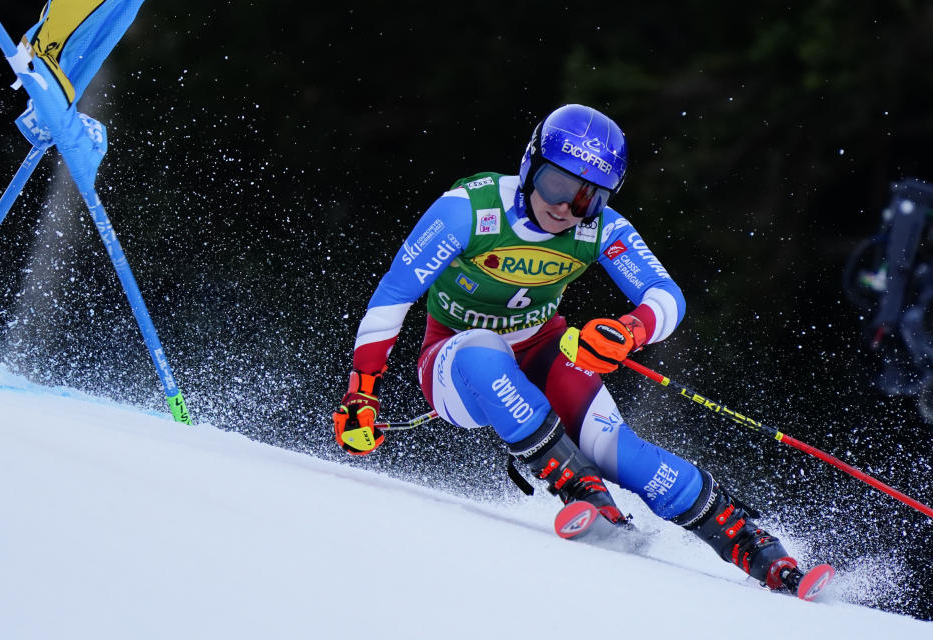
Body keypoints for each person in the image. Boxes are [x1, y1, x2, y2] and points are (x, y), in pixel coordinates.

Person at [332, 104, 807, 593]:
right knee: (482, 348)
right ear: (529, 166)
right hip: (454, 363)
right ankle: (583, 492)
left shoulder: (597, 228)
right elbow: (394, 295)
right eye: (557, 185)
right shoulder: (469, 210)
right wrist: (362, 390)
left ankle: (757, 548)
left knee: (616, 449)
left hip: (541, 349)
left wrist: (631, 330)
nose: (566, 207)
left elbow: (667, 297)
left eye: (588, 197)